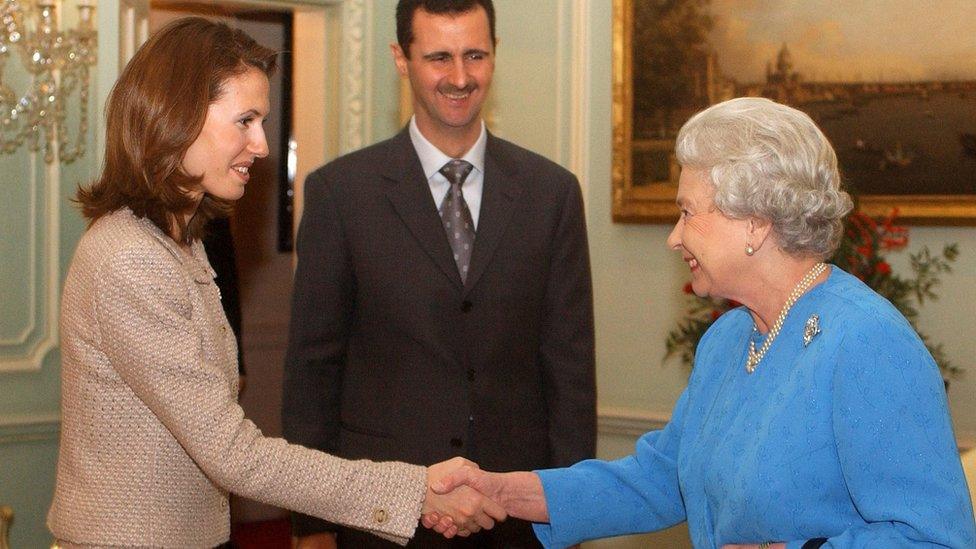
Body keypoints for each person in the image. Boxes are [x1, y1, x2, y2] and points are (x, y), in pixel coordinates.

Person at [428, 97, 976, 548]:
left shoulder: (867, 343)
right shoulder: (729, 339)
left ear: (755, 223)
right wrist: (500, 491)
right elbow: (662, 477)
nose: (673, 235)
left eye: (688, 212)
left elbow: (934, 538)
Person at [47, 17, 504, 548]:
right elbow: (231, 452)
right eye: (245, 120)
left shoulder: (178, 244)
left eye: (261, 122)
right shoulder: (129, 258)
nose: (262, 146)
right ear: (179, 116)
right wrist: (413, 490)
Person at [282, 0, 596, 547]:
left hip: (517, 519)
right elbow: (313, 369)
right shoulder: (340, 194)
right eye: (439, 57)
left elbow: (569, 367)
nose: (459, 77)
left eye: (475, 55)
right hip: (380, 515)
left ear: (495, 55)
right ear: (401, 59)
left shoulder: (552, 194)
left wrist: (572, 511)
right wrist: (312, 526)